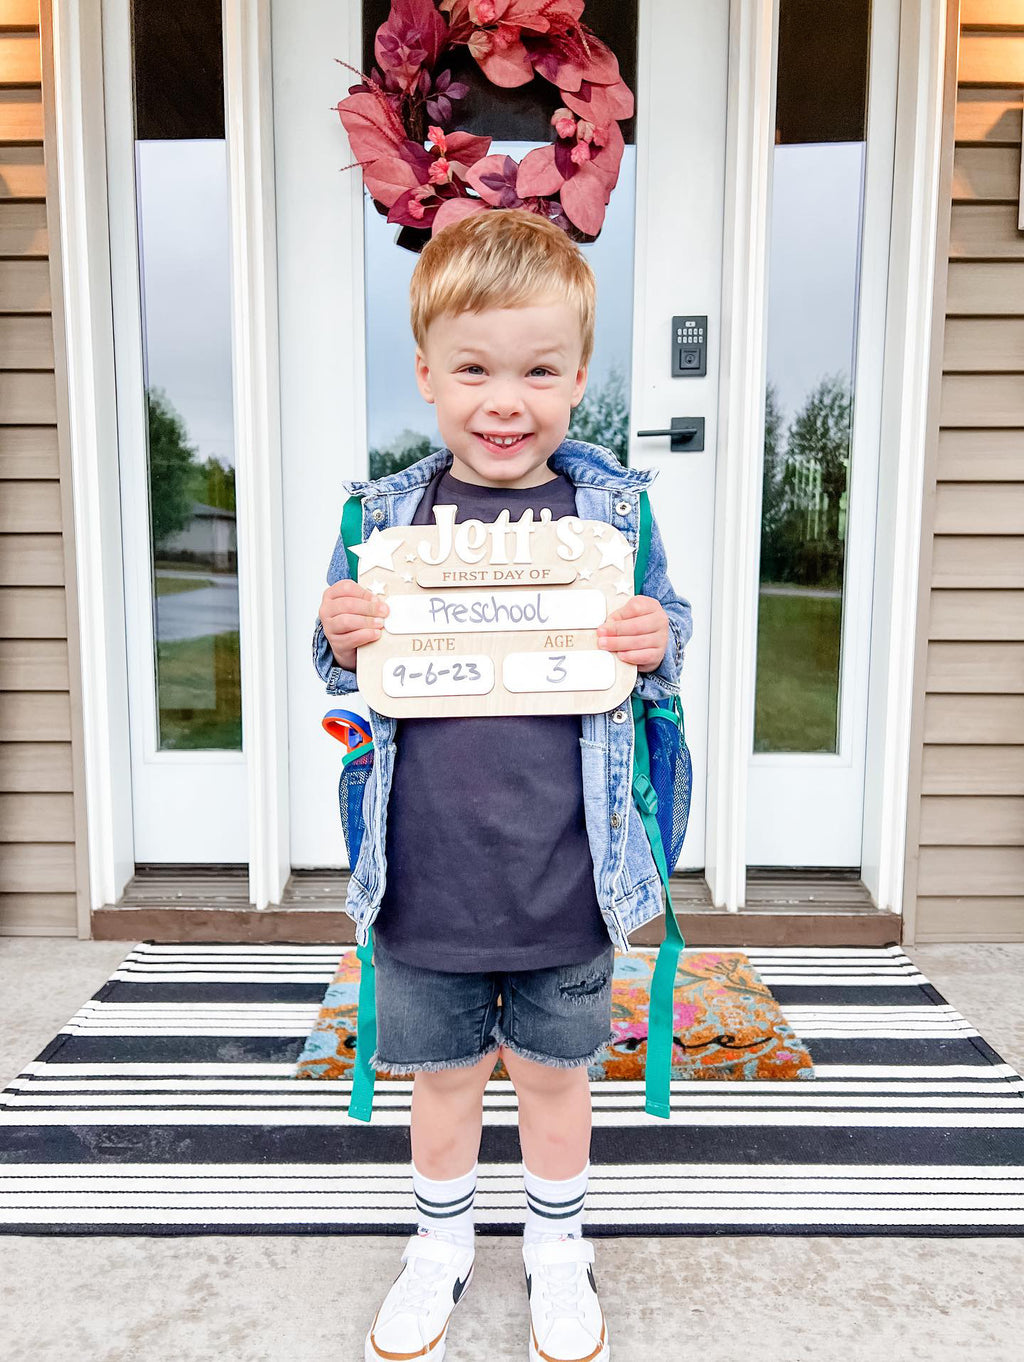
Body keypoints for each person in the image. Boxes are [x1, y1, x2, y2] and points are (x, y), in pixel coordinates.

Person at [314, 207, 691, 1362]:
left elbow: (667, 634)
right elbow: (340, 672)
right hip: (425, 873)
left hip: (567, 873)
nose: (504, 401)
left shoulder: (611, 514)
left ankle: (555, 1244)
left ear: (579, 377)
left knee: (554, 1074)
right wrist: (337, 629)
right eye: (473, 369)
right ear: (427, 373)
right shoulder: (382, 519)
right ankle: (438, 1245)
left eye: (537, 371)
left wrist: (652, 638)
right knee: (441, 1078)